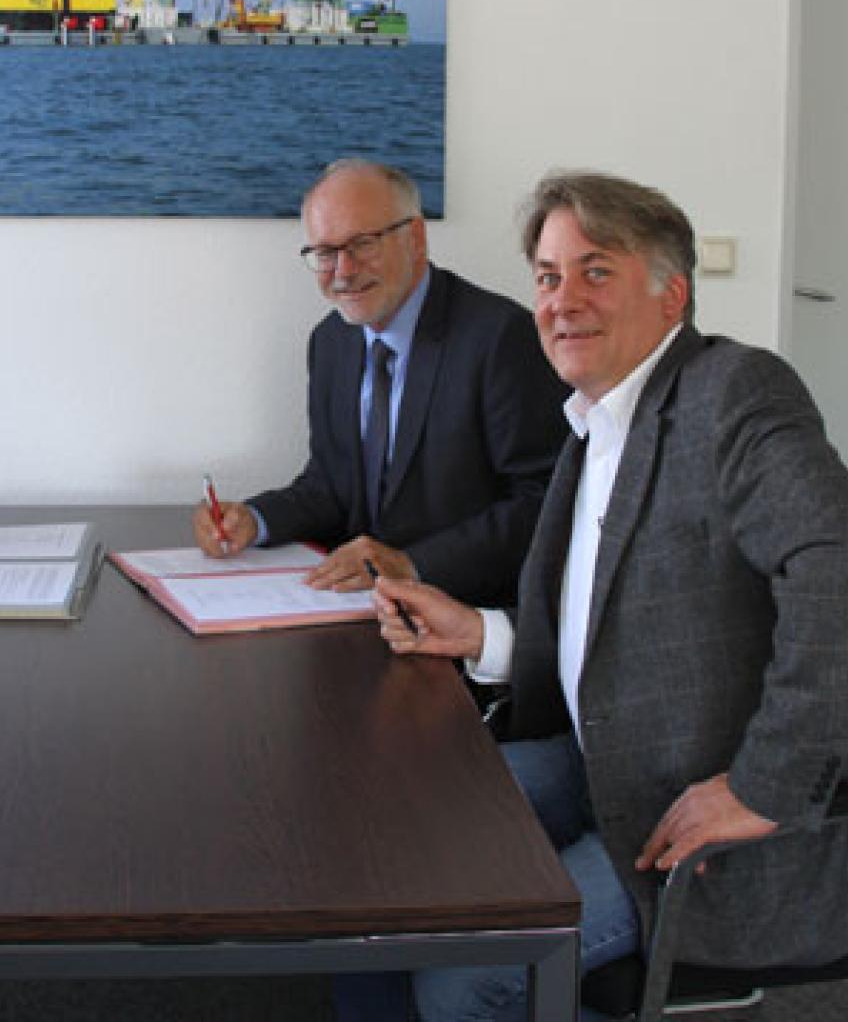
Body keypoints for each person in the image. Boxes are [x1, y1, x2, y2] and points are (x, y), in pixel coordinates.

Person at [362, 171, 848, 1020]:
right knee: (399, 823)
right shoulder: (595, 422)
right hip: (599, 762)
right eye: (548, 277)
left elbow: (835, 567)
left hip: (680, 818)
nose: (562, 301)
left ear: (672, 294)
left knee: (463, 982)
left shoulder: (734, 392)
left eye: (596, 271)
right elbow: (616, 623)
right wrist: (480, 632)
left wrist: (764, 784)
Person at [194, 159, 569, 606]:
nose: (344, 270)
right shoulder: (331, 342)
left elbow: (545, 503)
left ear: (416, 238)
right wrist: (254, 520)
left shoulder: (501, 337)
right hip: (359, 608)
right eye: (326, 252)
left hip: (467, 611)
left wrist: (411, 565)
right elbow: (330, 485)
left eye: (362, 244)